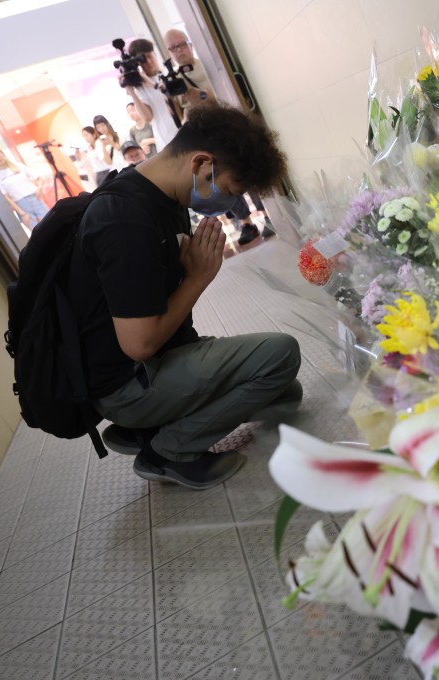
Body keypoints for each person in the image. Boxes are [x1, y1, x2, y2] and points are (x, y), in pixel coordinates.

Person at [67, 104, 301, 489]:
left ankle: (150, 427)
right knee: (280, 355)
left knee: (284, 393)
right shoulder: (124, 220)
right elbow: (139, 344)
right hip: (127, 383)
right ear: (201, 164)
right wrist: (198, 277)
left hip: (158, 362)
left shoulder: (163, 195)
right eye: (229, 190)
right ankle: (167, 451)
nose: (227, 205)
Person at [164, 27, 275, 246]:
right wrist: (171, 99)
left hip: (226, 129)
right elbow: (178, 116)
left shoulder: (204, 67)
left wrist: (199, 94)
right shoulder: (174, 80)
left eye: (181, 44)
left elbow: (223, 92)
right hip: (201, 137)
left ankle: (268, 214)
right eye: (172, 48)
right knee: (220, 181)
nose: (178, 51)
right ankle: (245, 223)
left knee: (243, 170)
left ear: (189, 44)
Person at [125, 38, 181, 151]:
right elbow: (147, 117)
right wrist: (131, 91)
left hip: (185, 133)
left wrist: (151, 83)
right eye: (143, 59)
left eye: (150, 56)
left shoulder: (171, 73)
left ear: (155, 54)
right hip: (166, 142)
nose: (149, 61)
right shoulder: (140, 89)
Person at [0, 145, 50, 227]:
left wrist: (39, 188)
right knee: (37, 232)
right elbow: (6, 197)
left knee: (51, 224)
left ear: (2, 153)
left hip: (35, 198)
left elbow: (39, 177)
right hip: (21, 204)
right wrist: (22, 213)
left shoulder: (18, 165)